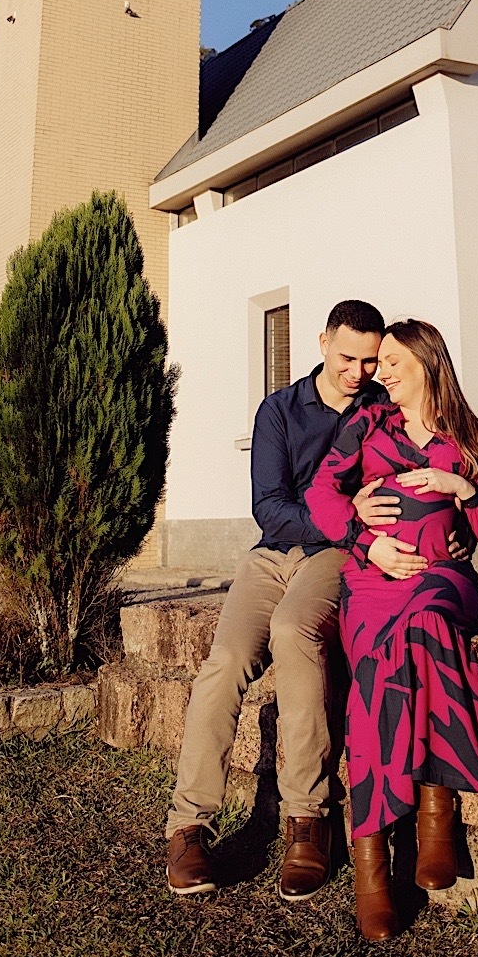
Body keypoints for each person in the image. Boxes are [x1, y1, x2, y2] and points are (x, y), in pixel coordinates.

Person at [165, 299, 387, 902]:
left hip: (335, 557)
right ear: (323, 343)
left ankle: (308, 820)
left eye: (369, 361)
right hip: (271, 555)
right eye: (348, 358)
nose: (358, 372)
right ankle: (188, 827)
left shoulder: (381, 411)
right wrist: (343, 517)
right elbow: (269, 507)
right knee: (225, 661)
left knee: (293, 631)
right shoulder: (279, 410)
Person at [306, 317, 478, 942]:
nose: (383, 373)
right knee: (377, 667)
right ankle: (372, 867)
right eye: (382, 363)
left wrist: (463, 488)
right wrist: (363, 537)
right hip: (372, 582)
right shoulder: (368, 425)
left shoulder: (470, 433)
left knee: (425, 622)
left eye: (394, 361)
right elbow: (320, 492)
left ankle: (434, 813)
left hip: (442, 578)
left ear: (427, 364)